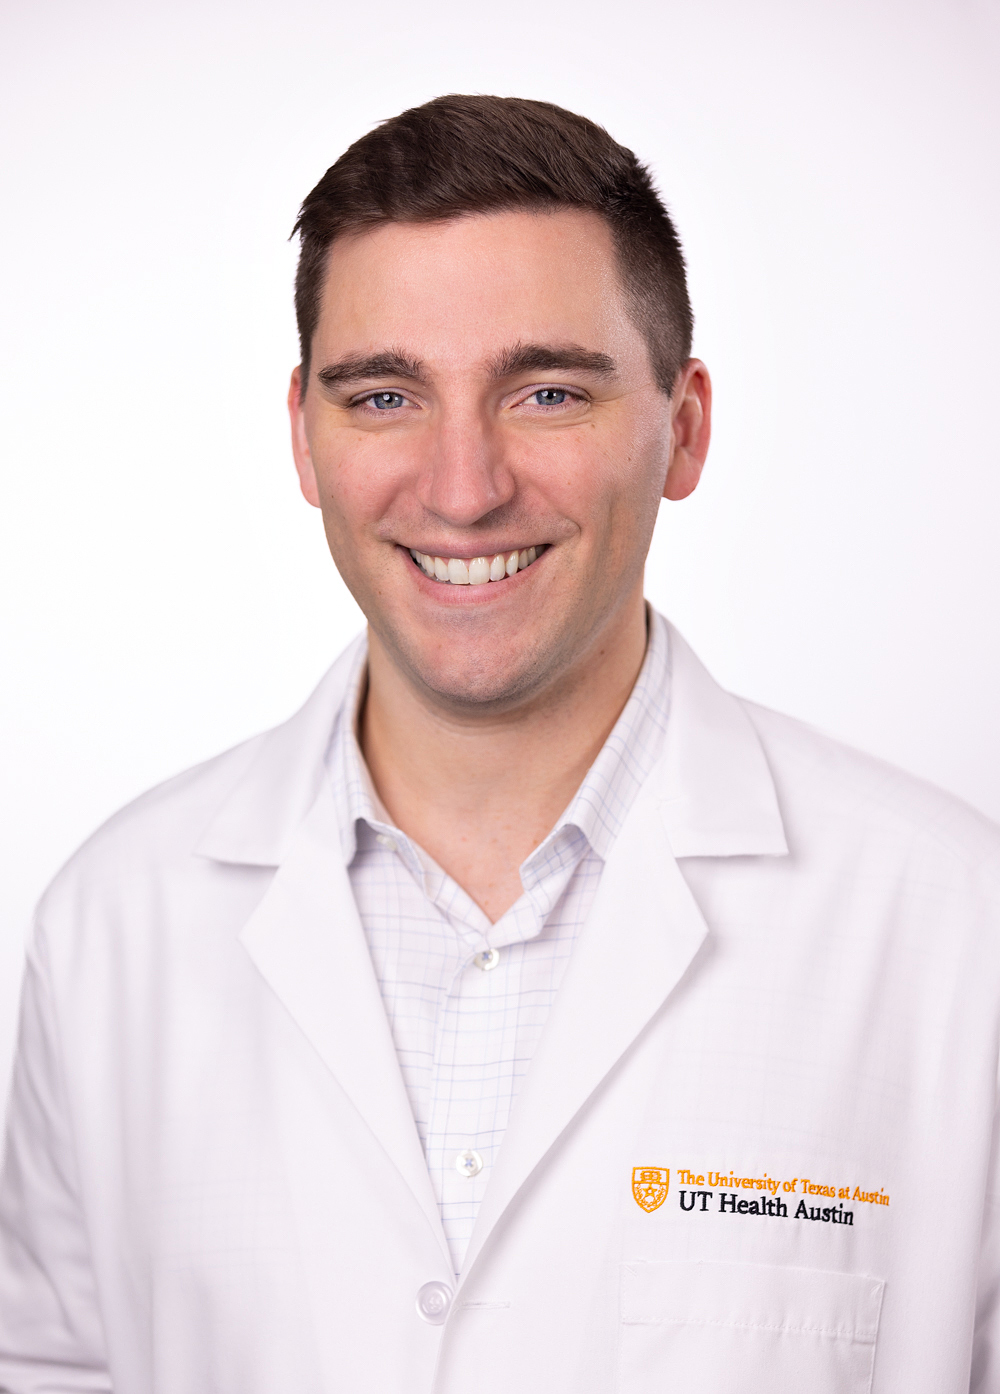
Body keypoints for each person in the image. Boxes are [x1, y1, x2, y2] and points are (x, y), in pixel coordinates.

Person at [0, 94, 998, 1394]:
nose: (464, 485)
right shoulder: (113, 926)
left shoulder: (954, 930)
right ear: (305, 433)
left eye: (545, 390)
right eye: (384, 394)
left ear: (682, 427)